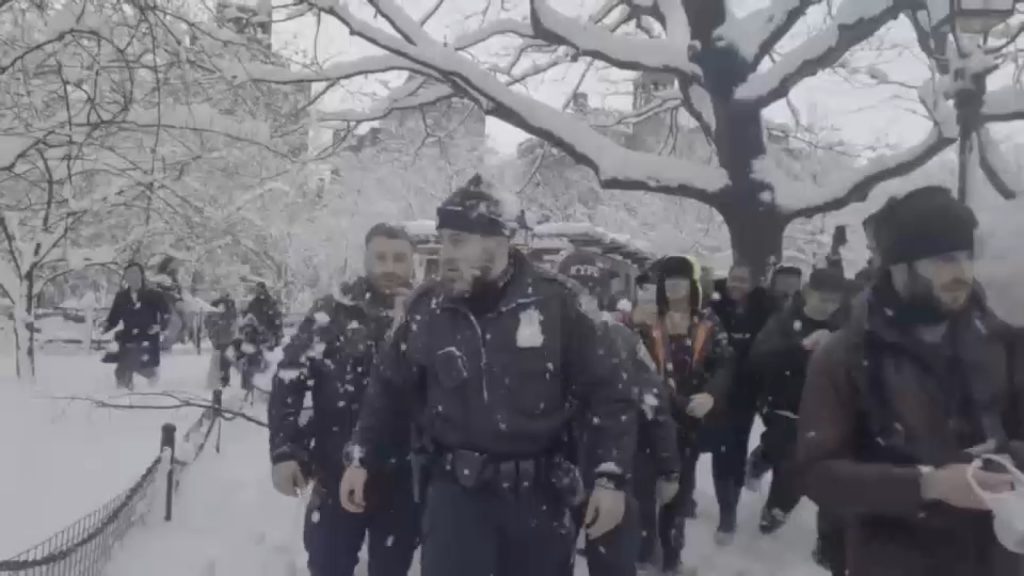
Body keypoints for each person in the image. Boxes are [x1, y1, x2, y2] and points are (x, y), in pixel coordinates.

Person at [339, 175, 637, 576]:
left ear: (498, 242)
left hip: (539, 499)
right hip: (454, 501)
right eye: (443, 240)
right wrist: (361, 457)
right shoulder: (427, 309)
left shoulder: (558, 303)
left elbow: (610, 393)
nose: (446, 253)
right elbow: (387, 390)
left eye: (458, 241)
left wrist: (609, 478)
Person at [798, 186, 1024, 576]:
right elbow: (817, 475)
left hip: (998, 556)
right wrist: (929, 485)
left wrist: (1007, 460)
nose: (962, 273)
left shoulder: (1003, 338)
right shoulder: (844, 355)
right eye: (943, 259)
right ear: (898, 267)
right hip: (895, 558)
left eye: (967, 257)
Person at [267, 223, 419, 576]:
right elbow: (290, 378)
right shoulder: (333, 312)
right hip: (335, 467)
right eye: (380, 257)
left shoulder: (430, 312)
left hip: (404, 476)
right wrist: (285, 451)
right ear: (365, 259)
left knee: (392, 568)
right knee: (328, 565)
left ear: (413, 262)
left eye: (399, 258)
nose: (390, 267)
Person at [558, 250, 681, 576]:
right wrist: (669, 468)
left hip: (603, 471)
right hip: (578, 472)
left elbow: (654, 404)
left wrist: (668, 467)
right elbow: (656, 405)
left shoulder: (619, 339)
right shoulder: (539, 337)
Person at [634, 255, 734, 570]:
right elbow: (631, 366)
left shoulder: (707, 321)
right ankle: (643, 554)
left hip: (689, 422)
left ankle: (670, 558)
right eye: (668, 281)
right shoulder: (645, 319)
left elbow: (726, 363)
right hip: (648, 418)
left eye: (680, 281)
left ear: (692, 286)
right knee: (642, 490)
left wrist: (712, 394)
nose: (674, 288)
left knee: (678, 493)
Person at [745, 267, 846, 535]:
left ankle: (779, 505)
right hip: (781, 402)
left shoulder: (842, 326)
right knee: (787, 451)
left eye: (835, 301)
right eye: (823, 299)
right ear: (808, 292)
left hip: (822, 407)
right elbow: (758, 359)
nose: (829, 306)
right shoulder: (784, 320)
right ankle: (763, 459)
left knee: (803, 461)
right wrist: (801, 348)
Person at [708, 262, 774, 543]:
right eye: (733, 279)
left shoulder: (765, 308)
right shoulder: (714, 304)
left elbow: (771, 345)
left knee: (735, 448)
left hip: (747, 389)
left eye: (743, 280)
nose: (736, 285)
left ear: (753, 283)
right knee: (718, 448)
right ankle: (723, 510)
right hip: (715, 388)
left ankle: (729, 507)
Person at [101, 263, 170, 389]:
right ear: (125, 277)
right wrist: (106, 325)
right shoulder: (121, 297)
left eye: (136, 273)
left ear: (142, 275)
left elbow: (166, 314)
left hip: (147, 337)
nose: (133, 277)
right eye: (129, 274)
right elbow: (113, 318)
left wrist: (159, 327)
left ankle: (150, 379)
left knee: (138, 365)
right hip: (127, 338)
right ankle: (123, 394)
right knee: (123, 369)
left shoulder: (154, 295)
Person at [206, 294, 238, 387]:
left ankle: (221, 379)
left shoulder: (219, 314)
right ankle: (223, 379)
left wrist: (212, 335)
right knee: (224, 360)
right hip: (225, 340)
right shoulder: (228, 313)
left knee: (221, 360)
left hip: (223, 340)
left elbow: (210, 325)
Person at [245, 282, 283, 349]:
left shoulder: (268, 299)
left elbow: (274, 313)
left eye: (258, 289)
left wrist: (275, 331)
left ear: (263, 289)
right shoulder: (255, 300)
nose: (257, 290)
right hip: (256, 326)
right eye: (256, 289)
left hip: (266, 327)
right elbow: (249, 311)